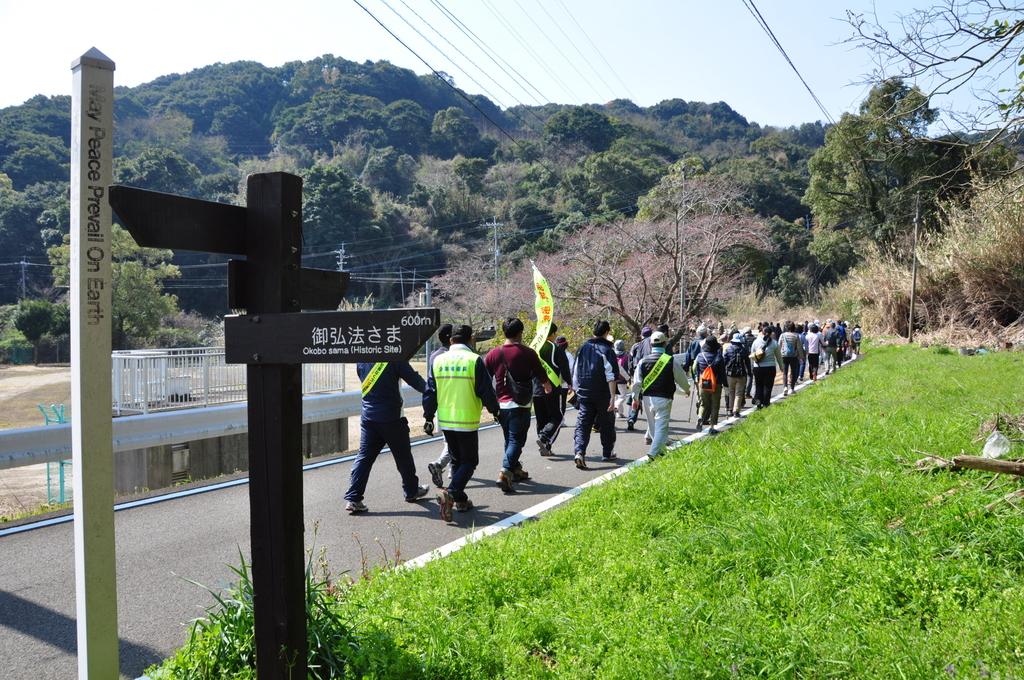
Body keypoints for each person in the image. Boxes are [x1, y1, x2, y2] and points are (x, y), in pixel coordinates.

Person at [423, 325, 500, 521]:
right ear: (470, 339)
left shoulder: (438, 360)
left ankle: (460, 500)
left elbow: (430, 391)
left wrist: (428, 417)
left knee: (457, 460)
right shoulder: (473, 360)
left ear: (451, 341)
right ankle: (450, 492)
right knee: (470, 461)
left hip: (446, 420)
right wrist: (495, 411)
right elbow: (486, 390)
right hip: (466, 420)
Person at [344, 359, 430, 514]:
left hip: (368, 416)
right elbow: (415, 380)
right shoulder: (394, 357)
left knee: (364, 458)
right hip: (392, 418)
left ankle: (354, 498)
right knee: (403, 457)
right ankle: (411, 492)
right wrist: (433, 391)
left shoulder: (362, 359)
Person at [484, 317, 552, 492]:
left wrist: (490, 400)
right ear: (520, 333)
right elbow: (540, 373)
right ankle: (505, 471)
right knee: (517, 440)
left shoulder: (493, 354)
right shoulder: (527, 353)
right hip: (520, 404)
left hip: (501, 405)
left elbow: (484, 378)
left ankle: (515, 470)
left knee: (509, 438)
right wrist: (547, 385)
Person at [631, 331, 690, 458]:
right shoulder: (670, 360)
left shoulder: (643, 361)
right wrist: (687, 390)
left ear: (651, 345)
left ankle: (661, 450)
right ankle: (653, 453)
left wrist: (635, 398)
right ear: (665, 344)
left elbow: (636, 383)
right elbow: (682, 378)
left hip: (647, 398)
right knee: (661, 427)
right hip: (664, 397)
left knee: (652, 426)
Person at [572, 320, 618, 469]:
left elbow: (575, 372)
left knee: (583, 424)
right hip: (603, 393)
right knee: (607, 424)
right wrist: (612, 397)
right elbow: (610, 375)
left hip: (584, 393)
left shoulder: (583, 348)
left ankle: (579, 452)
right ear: (607, 332)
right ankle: (607, 452)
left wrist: (576, 390)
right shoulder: (607, 350)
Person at [534, 323, 573, 457]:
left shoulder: (534, 347)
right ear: (552, 334)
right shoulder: (556, 348)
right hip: (551, 388)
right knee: (557, 417)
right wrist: (569, 382)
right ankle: (544, 439)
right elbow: (564, 367)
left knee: (541, 419)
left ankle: (545, 447)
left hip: (535, 389)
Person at [424, 323, 453, 489]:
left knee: (449, 441)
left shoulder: (434, 356)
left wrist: (429, 415)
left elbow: (431, 387)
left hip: (442, 406)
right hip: (459, 406)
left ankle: (451, 469)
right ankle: (440, 465)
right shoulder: (456, 356)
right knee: (457, 444)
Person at [694, 334, 727, 434]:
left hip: (703, 383)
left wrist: (696, 378)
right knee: (714, 405)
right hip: (716, 384)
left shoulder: (700, 356)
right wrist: (725, 385)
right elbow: (722, 373)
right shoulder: (719, 357)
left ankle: (700, 417)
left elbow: (696, 369)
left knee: (703, 403)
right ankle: (712, 428)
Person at [626, 326, 653, 430]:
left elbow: (630, 361)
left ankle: (631, 418)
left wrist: (631, 375)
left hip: (637, 375)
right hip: (651, 376)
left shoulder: (635, 346)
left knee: (635, 397)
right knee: (650, 398)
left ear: (642, 335)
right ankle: (652, 425)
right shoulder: (653, 345)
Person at [750, 325, 783, 409]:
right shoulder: (774, 343)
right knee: (768, 386)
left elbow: (752, 355)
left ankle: (758, 403)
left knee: (758, 385)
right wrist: (781, 367)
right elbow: (778, 356)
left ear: (762, 332)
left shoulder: (756, 342)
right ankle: (766, 403)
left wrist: (751, 367)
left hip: (758, 367)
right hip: (770, 367)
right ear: (771, 333)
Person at [723, 332, 750, 417]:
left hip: (730, 374)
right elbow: (748, 363)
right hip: (741, 374)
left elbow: (724, 362)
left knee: (731, 392)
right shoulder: (744, 350)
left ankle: (730, 410)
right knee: (739, 393)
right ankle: (736, 411)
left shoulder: (728, 349)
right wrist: (749, 372)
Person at [778, 320, 806, 396]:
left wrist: (779, 356)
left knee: (785, 373)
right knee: (793, 373)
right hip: (794, 356)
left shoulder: (782, 335)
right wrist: (802, 357)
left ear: (786, 327)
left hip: (784, 356)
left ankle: (785, 388)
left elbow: (779, 346)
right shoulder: (796, 335)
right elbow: (799, 347)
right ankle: (792, 388)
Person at [613, 339, 631, 418]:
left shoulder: (612, 355)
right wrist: (628, 378)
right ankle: (616, 406)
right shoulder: (626, 356)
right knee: (623, 396)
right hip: (622, 379)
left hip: (613, 380)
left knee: (617, 396)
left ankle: (619, 413)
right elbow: (625, 369)